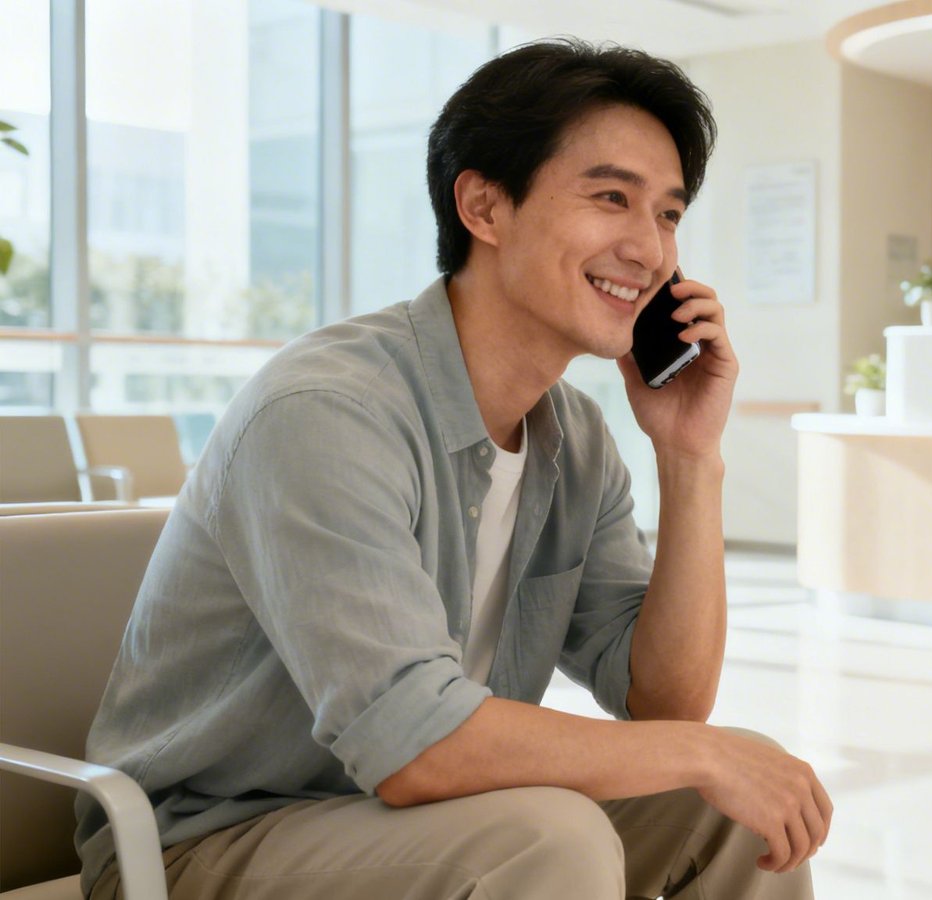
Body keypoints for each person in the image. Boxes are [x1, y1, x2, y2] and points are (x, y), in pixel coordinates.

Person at [76, 38, 830, 899]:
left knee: (739, 805)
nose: (650, 250)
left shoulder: (574, 438)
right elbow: (411, 743)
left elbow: (662, 702)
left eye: (666, 214)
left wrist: (690, 456)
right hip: (208, 842)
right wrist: (704, 749)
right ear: (484, 205)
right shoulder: (326, 412)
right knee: (550, 837)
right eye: (612, 198)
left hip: (421, 815)